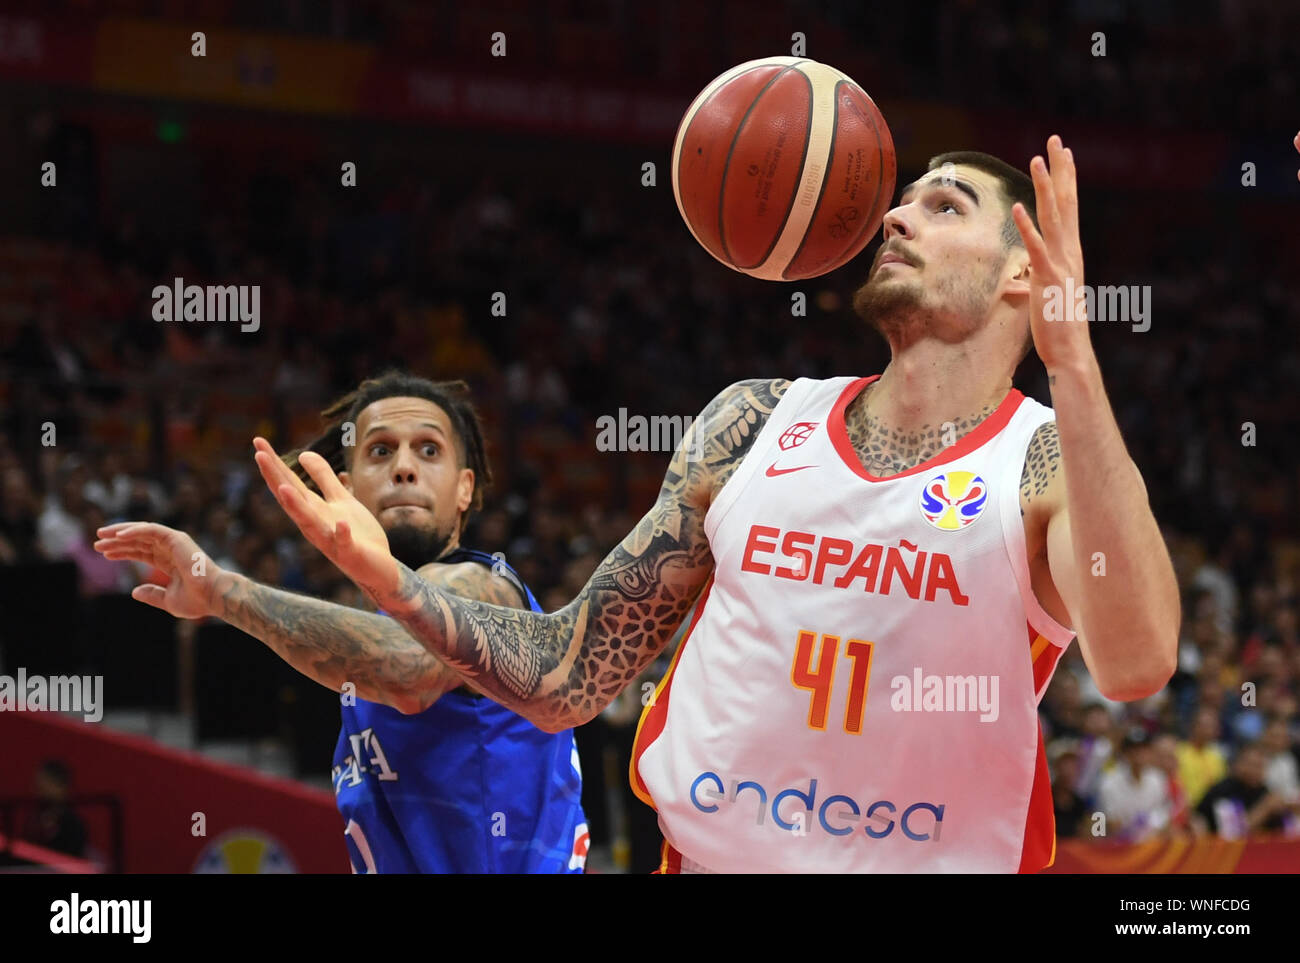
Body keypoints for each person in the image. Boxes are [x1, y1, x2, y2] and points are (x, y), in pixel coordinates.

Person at [252, 136, 1182, 872]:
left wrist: (1075, 365)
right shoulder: (753, 421)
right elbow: (569, 675)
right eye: (904, 200)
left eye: (943, 206)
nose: (896, 216)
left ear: (1024, 273)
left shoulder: (1045, 459)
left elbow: (1137, 662)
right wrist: (393, 582)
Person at [95, 372, 587, 873]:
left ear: (464, 489)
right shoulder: (374, 627)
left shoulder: (480, 584)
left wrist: (224, 593)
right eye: (380, 451)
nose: (404, 468)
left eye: (429, 450)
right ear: (344, 490)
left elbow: (407, 670)